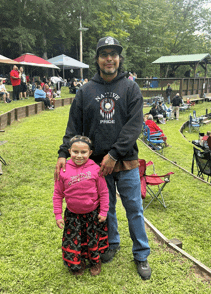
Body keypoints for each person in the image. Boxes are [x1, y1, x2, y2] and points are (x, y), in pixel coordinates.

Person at [54, 36, 151, 280]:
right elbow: (74, 125)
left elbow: (134, 126)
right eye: (104, 54)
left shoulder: (130, 88)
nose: (109, 58)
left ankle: (141, 254)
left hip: (126, 161)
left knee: (134, 210)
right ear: (97, 59)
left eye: (114, 54)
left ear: (119, 58)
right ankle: (112, 244)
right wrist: (63, 152)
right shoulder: (86, 90)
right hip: (96, 165)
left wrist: (114, 154)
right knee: (105, 209)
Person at [53, 135, 109, 276]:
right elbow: (58, 194)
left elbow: (103, 192)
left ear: (90, 153)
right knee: (75, 241)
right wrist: (58, 215)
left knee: (92, 240)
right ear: (69, 151)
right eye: (75, 152)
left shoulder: (96, 169)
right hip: (72, 215)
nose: (79, 156)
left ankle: (95, 262)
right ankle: (78, 263)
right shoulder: (64, 170)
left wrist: (103, 211)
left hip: (92, 214)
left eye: (83, 152)